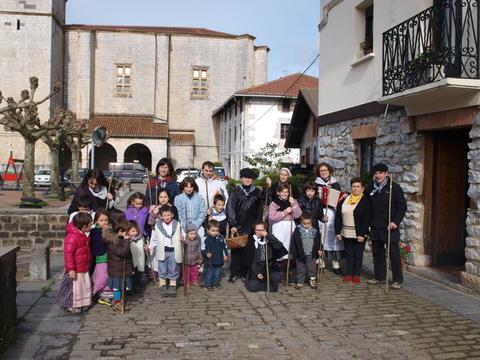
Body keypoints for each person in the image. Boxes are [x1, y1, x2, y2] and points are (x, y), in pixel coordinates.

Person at [365, 163, 407, 290]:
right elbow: (366, 206)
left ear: (386, 174)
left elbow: (402, 207)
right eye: (376, 173)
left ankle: (397, 280)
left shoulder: (394, 188)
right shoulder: (370, 188)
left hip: (390, 227)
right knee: (377, 253)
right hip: (375, 226)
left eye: (381, 173)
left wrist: (395, 222)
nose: (378, 175)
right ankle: (379, 276)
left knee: (394, 254)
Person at [226, 168, 264, 282]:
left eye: (250, 178)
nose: (247, 180)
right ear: (241, 178)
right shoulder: (236, 192)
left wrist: (257, 225)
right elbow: (230, 209)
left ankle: (244, 272)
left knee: (248, 252)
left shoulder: (257, 192)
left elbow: (259, 210)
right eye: (245, 177)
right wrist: (232, 224)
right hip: (237, 227)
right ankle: (234, 273)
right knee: (236, 252)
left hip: (251, 227)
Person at [334, 178, 371, 285]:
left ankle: (356, 275)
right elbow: (338, 217)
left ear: (362, 188)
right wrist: (337, 232)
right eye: (354, 186)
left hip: (359, 234)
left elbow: (366, 219)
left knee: (358, 255)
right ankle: (349, 273)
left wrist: (363, 234)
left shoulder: (365, 201)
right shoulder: (345, 199)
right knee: (349, 254)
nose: (355, 189)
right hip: (346, 232)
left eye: (358, 186)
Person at [56, 213, 93, 314]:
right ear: (84, 226)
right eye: (90, 224)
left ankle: (83, 302)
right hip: (76, 268)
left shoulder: (83, 235)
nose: (91, 226)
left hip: (83, 266)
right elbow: (68, 254)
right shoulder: (72, 237)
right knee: (74, 289)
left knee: (84, 286)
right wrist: (71, 269)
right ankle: (72, 304)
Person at [148, 205, 185, 297]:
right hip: (162, 250)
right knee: (162, 268)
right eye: (164, 215)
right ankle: (163, 285)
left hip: (173, 251)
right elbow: (154, 239)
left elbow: (183, 234)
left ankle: (172, 286)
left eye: (168, 215)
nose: (167, 217)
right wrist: (149, 247)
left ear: (172, 214)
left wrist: (183, 238)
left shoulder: (177, 224)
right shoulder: (158, 225)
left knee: (173, 268)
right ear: (161, 216)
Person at [268, 184, 302, 283]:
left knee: (290, 249)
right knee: (280, 248)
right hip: (279, 228)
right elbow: (272, 217)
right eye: (282, 192)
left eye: (286, 192)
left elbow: (298, 214)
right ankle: (280, 272)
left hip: (290, 228)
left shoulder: (292, 201)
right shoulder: (274, 204)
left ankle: (289, 272)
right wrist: (285, 212)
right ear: (278, 192)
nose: (284, 194)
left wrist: (294, 204)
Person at [315, 162, 343, 275]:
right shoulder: (316, 183)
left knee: (331, 235)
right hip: (319, 213)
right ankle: (320, 261)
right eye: (321, 170)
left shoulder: (335, 184)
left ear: (329, 171)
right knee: (320, 236)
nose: (323, 172)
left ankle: (335, 262)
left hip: (331, 212)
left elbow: (338, 200)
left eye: (325, 170)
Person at [243, 221, 288, 293]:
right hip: (257, 268)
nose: (260, 232)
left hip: (269, 267)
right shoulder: (251, 242)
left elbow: (279, 245)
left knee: (277, 277)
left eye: (262, 230)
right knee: (252, 287)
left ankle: (267, 284)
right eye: (257, 230)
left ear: (265, 230)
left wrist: (268, 235)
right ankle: (266, 285)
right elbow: (249, 260)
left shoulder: (269, 241)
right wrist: (257, 272)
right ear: (254, 231)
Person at [104, 217, 133, 309]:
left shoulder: (120, 238)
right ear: (120, 230)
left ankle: (121, 301)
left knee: (122, 287)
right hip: (116, 269)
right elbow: (122, 252)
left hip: (122, 268)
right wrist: (126, 240)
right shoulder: (112, 241)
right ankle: (117, 302)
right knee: (117, 288)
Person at [291, 213, 322, 289]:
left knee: (312, 268)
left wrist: (320, 249)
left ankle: (312, 281)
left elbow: (318, 242)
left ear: (311, 223)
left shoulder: (314, 231)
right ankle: (300, 282)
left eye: (309, 223)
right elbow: (294, 243)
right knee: (300, 268)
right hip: (301, 254)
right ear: (301, 222)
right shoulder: (298, 231)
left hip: (311, 253)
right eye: (304, 223)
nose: (307, 225)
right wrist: (294, 253)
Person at [174, 177, 207, 243]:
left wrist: (196, 225)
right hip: (184, 227)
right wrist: (185, 226)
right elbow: (178, 214)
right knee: (186, 248)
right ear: (183, 187)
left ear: (194, 187)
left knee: (200, 247)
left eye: (191, 187)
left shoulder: (199, 198)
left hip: (198, 227)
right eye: (186, 187)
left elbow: (202, 213)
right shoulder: (178, 198)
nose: (189, 189)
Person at [90, 208, 111, 305]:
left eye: (106, 220)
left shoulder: (109, 230)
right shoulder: (95, 232)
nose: (104, 222)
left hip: (109, 258)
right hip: (101, 258)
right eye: (101, 220)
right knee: (100, 278)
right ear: (96, 221)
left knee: (107, 278)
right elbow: (99, 247)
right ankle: (92, 293)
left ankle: (104, 295)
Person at [204, 220, 228, 291]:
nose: (215, 232)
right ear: (208, 230)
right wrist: (207, 253)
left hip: (219, 259)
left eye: (216, 230)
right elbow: (204, 249)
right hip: (210, 260)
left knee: (218, 273)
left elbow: (224, 247)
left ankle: (216, 283)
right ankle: (208, 285)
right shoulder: (207, 239)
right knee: (209, 273)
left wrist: (225, 254)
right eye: (213, 230)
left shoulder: (221, 238)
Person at [128, 220, 146, 293]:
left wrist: (146, 247)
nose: (135, 233)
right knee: (131, 274)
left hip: (139, 259)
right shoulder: (127, 239)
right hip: (131, 260)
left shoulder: (141, 238)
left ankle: (137, 285)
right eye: (132, 231)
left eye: (136, 231)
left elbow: (144, 245)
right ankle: (130, 287)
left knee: (138, 274)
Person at [184, 223, 203, 288]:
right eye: (191, 234)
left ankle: (194, 281)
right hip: (186, 259)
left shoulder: (197, 241)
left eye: (195, 234)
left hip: (195, 259)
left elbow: (199, 249)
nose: (193, 236)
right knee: (187, 272)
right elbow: (182, 250)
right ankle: (187, 282)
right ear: (187, 234)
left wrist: (200, 257)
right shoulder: (185, 241)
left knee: (195, 271)